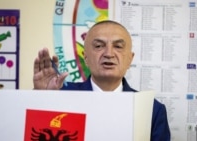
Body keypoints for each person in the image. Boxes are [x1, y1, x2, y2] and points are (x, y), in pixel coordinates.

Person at [33, 20, 170, 141]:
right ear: (85, 57)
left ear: (130, 59)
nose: (109, 54)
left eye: (118, 46)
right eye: (99, 46)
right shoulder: (60, 95)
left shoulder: (152, 109)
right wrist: (42, 97)